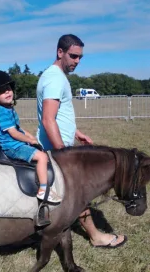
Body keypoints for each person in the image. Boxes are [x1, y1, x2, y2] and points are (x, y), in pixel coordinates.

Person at [36, 34, 127, 248]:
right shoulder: (54, 78)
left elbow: (57, 116)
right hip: (56, 149)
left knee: (73, 193)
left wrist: (76, 132)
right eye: (73, 56)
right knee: (79, 193)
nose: (77, 61)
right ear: (60, 52)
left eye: (80, 57)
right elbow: (48, 119)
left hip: (59, 145)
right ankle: (95, 236)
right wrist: (63, 153)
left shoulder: (54, 76)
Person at [0, 70, 62, 205]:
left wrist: (30, 136)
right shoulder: (1, 111)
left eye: (8, 89)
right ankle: (43, 190)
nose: (7, 92)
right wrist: (30, 140)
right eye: (2, 91)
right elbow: (13, 133)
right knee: (42, 157)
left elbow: (18, 128)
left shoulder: (8, 108)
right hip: (11, 147)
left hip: (16, 144)